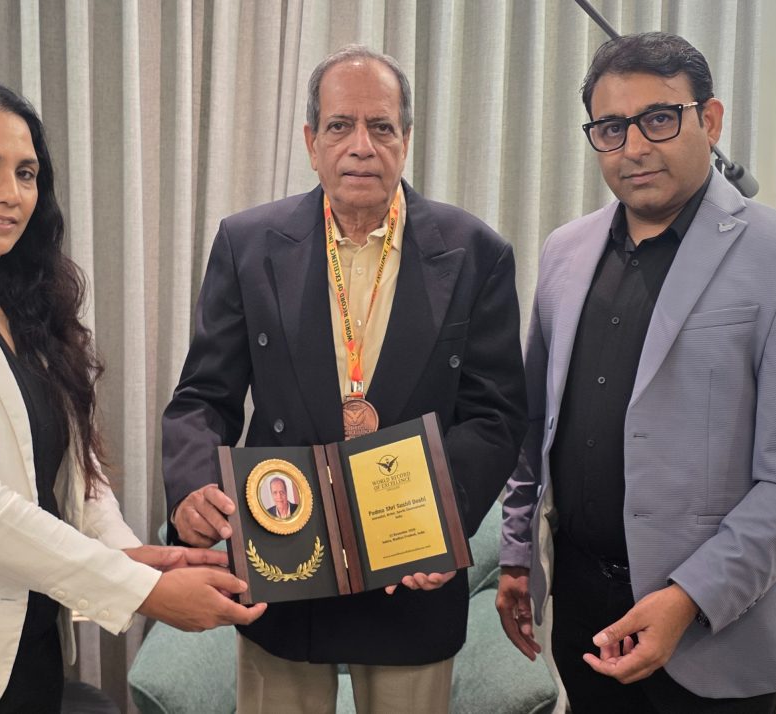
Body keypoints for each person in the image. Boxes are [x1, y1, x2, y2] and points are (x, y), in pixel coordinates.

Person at [0, 78, 264, 714]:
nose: (11, 194)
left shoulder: (25, 304)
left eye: (27, 173)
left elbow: (77, 476)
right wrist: (140, 590)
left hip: (29, 642)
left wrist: (127, 553)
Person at [497, 32, 776, 714]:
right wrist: (517, 553)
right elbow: (534, 427)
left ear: (710, 120)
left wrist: (689, 597)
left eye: (659, 118)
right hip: (582, 616)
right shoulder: (565, 252)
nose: (633, 147)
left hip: (715, 635)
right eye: (611, 128)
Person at [162, 45, 526, 713]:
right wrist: (191, 487)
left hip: (411, 572)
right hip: (284, 567)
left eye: (381, 126)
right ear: (311, 141)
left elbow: (495, 414)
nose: (362, 145)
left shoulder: (476, 252)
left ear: (406, 139)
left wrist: (442, 521)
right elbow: (203, 397)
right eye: (340, 126)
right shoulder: (248, 244)